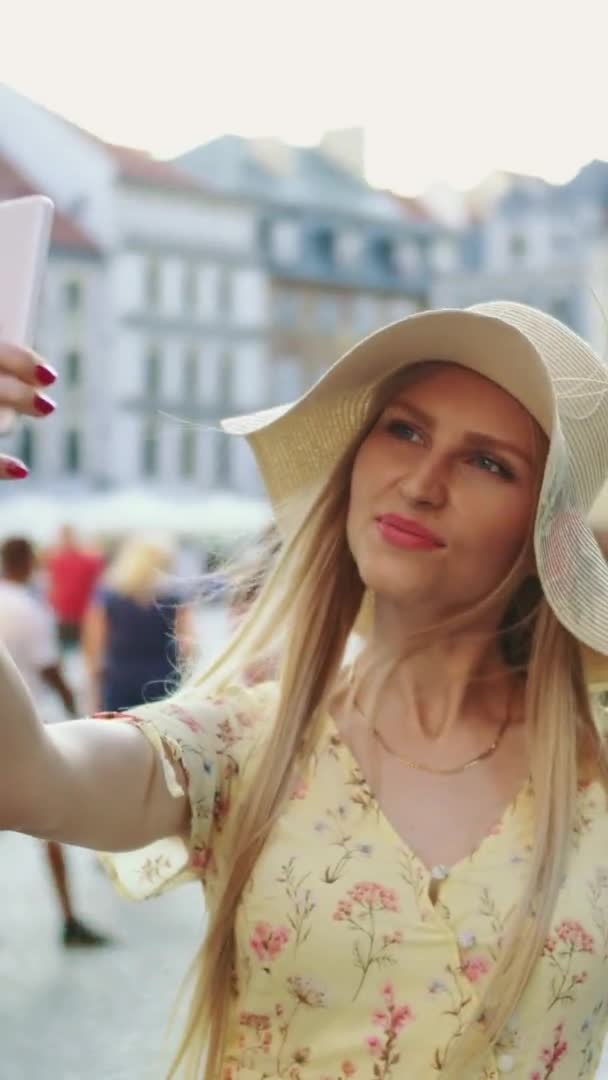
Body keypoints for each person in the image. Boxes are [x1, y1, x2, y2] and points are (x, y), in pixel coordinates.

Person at [3, 305, 608, 1077]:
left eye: (489, 463)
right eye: (405, 430)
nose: (422, 482)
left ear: (545, 538)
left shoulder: (594, 770)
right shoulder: (244, 740)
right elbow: (24, 780)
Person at [0, 537, 110, 948]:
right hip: (22, 729)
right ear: (28, 562)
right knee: (50, 827)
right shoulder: (29, 610)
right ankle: (68, 916)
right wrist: (76, 713)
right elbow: (50, 671)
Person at [82, 533, 197, 712]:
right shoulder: (174, 597)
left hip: (119, 681)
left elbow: (93, 653)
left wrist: (94, 694)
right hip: (163, 680)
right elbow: (188, 647)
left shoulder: (108, 597)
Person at [45, 524, 104, 650]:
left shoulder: (88, 560)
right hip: (68, 615)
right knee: (71, 652)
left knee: (76, 652)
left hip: (83, 616)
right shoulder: (56, 561)